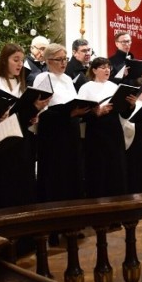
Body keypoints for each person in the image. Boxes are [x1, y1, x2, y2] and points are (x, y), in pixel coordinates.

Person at [0, 43, 48, 209]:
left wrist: (34, 115)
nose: (20, 64)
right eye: (15, 60)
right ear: (5, 61)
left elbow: (22, 111)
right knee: (8, 184)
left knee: (24, 181)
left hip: (23, 138)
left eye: (21, 60)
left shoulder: (21, 84)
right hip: (5, 143)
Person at [34, 43, 89, 202]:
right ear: (48, 61)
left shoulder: (67, 79)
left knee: (71, 169)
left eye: (65, 59)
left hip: (70, 128)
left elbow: (72, 102)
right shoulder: (42, 78)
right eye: (59, 59)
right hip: (53, 132)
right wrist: (69, 112)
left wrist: (76, 110)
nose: (64, 63)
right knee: (56, 171)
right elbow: (42, 110)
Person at [79, 57, 136, 198]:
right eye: (103, 67)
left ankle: (117, 203)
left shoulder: (114, 86)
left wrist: (131, 105)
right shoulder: (86, 87)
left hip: (114, 130)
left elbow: (124, 113)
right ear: (94, 70)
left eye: (108, 67)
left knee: (116, 168)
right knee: (99, 168)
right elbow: (81, 113)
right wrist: (97, 112)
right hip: (96, 131)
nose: (107, 70)